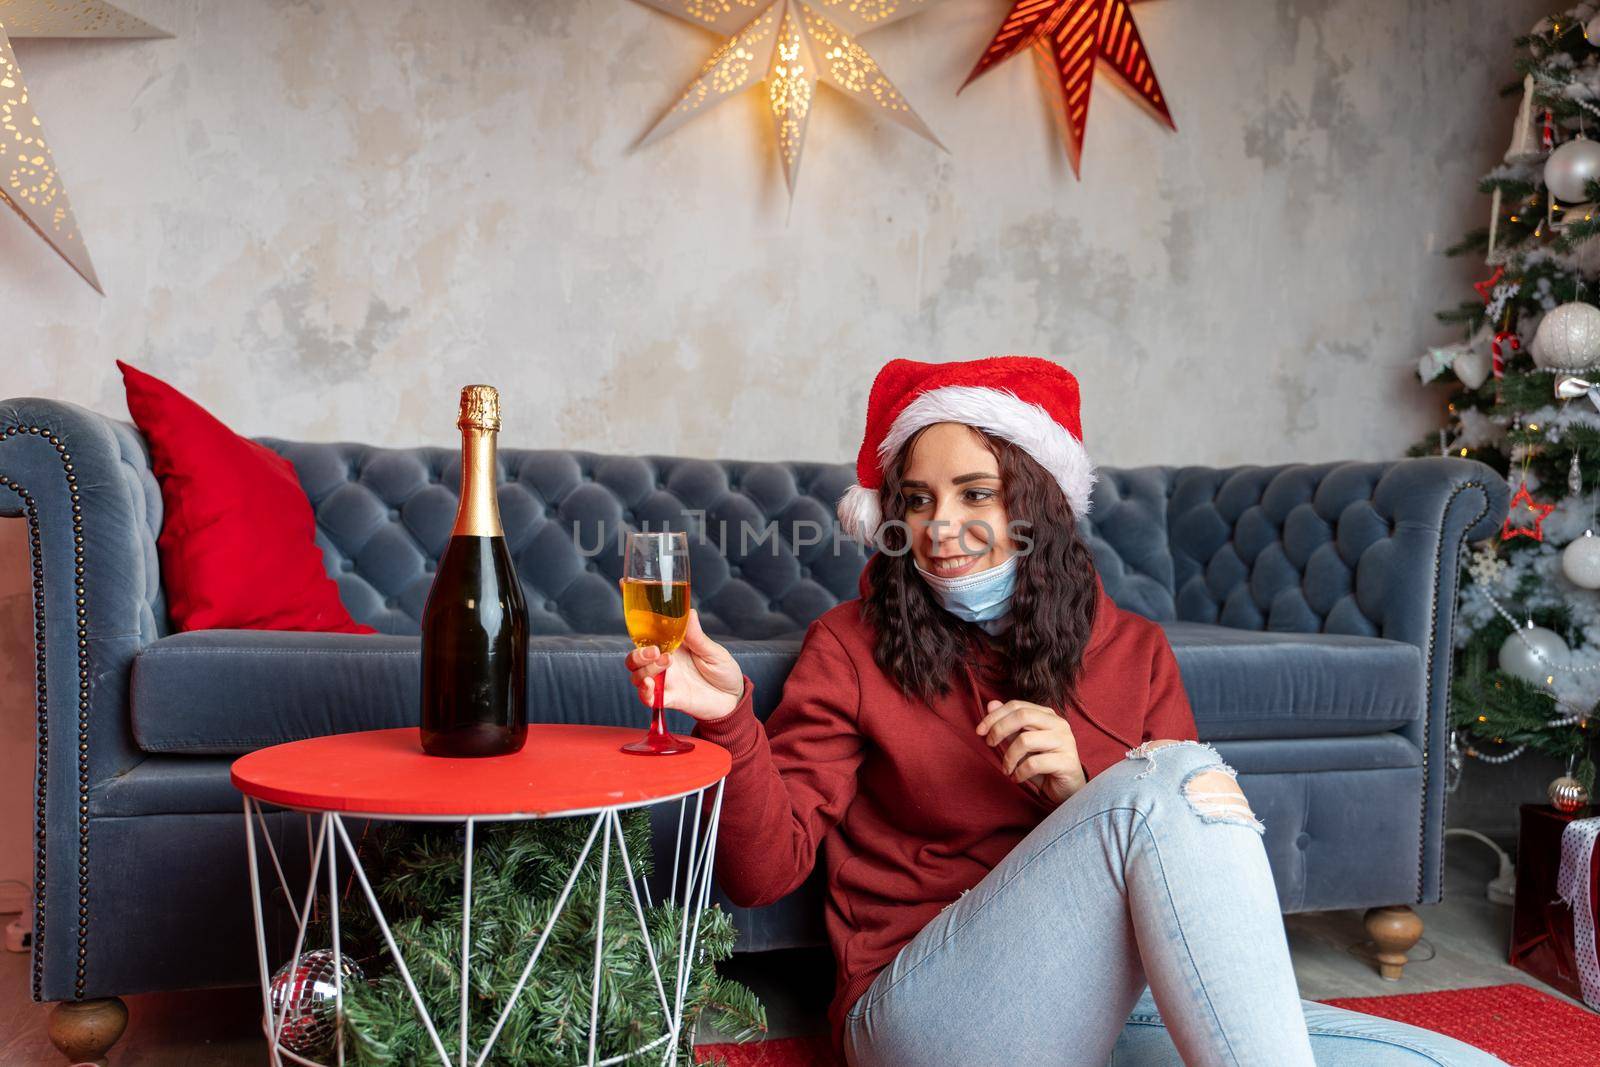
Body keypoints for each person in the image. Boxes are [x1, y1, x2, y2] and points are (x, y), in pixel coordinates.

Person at [624, 357, 1506, 1066]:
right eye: (918, 500)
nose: (941, 527)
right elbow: (762, 873)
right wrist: (732, 718)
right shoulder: (852, 644)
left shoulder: (1134, 651)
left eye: (977, 493)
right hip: (919, 1013)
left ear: (1038, 505)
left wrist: (1073, 790)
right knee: (1171, 776)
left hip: (1107, 1011)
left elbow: (1197, 872)